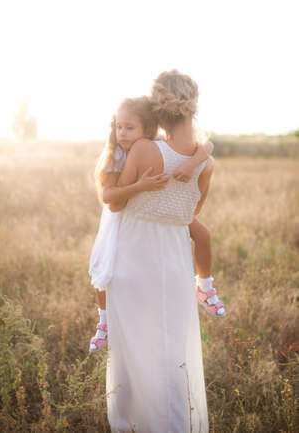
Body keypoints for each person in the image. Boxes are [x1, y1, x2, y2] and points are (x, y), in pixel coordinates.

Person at [105, 69, 214, 432]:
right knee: (172, 349)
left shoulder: (143, 148)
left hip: (133, 258)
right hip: (174, 261)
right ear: (192, 108)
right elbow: (190, 215)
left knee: (134, 350)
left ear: (158, 109)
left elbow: (115, 205)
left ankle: (134, 424)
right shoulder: (206, 162)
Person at [89, 97, 217, 354]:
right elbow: (109, 198)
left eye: (129, 128)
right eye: (119, 127)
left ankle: (205, 286)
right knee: (104, 269)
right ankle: (104, 322)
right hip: (119, 217)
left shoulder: (157, 144)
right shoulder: (115, 155)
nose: (122, 133)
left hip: (164, 214)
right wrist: (140, 186)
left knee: (203, 234)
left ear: (148, 130)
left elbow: (207, 144)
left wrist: (193, 162)